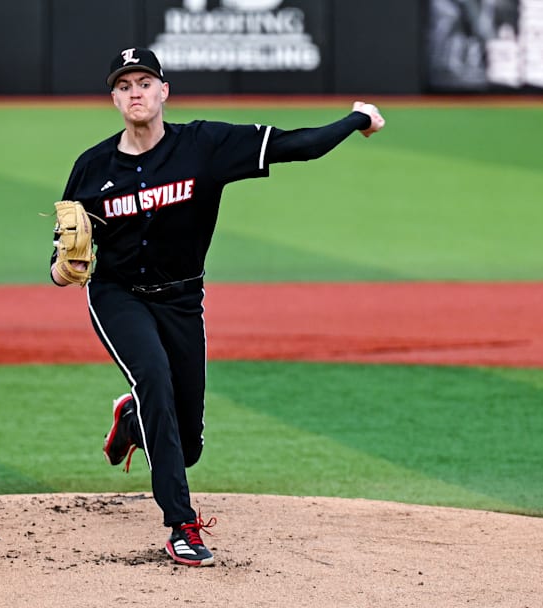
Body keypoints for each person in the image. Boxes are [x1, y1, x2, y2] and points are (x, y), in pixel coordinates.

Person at [48, 47, 384, 567]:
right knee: (154, 378)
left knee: (188, 447)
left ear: (164, 92)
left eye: (144, 83)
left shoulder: (206, 145)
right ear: (114, 97)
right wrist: (61, 270)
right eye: (124, 85)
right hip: (117, 296)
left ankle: (133, 421)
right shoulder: (92, 167)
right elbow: (59, 259)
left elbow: (298, 146)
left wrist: (356, 118)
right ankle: (182, 525)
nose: (135, 92)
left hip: (182, 300)